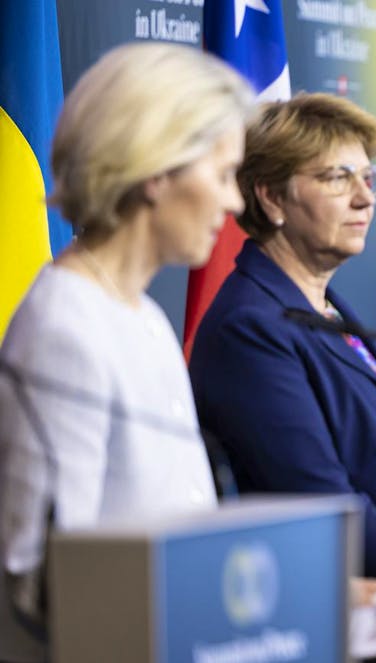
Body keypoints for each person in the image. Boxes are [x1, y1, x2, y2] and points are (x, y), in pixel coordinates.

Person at [0, 43, 254, 661]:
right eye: (222, 175)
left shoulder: (143, 317)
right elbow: (37, 578)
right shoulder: (65, 327)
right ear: (156, 170)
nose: (235, 203)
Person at [189, 93, 376, 583]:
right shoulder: (251, 328)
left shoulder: (327, 308)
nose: (365, 198)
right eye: (337, 178)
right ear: (271, 196)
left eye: (367, 178)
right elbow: (324, 498)